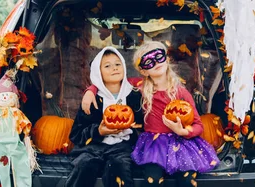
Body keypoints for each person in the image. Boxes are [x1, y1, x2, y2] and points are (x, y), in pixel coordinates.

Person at [81, 41, 219, 187]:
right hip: (154, 145)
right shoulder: (139, 87)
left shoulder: (181, 92)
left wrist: (183, 131)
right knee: (152, 180)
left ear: (166, 59)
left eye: (158, 56)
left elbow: (198, 125)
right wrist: (91, 90)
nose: (155, 63)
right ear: (144, 71)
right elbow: (113, 81)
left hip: (181, 144)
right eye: (148, 61)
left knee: (186, 180)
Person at [66, 47, 144, 187]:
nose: (114, 68)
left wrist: (136, 126)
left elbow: (143, 123)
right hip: (92, 148)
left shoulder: (134, 95)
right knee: (84, 164)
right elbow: (76, 134)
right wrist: (98, 131)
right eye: (107, 66)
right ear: (98, 73)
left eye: (117, 64)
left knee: (119, 167)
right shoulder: (92, 100)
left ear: (124, 67)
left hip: (122, 147)